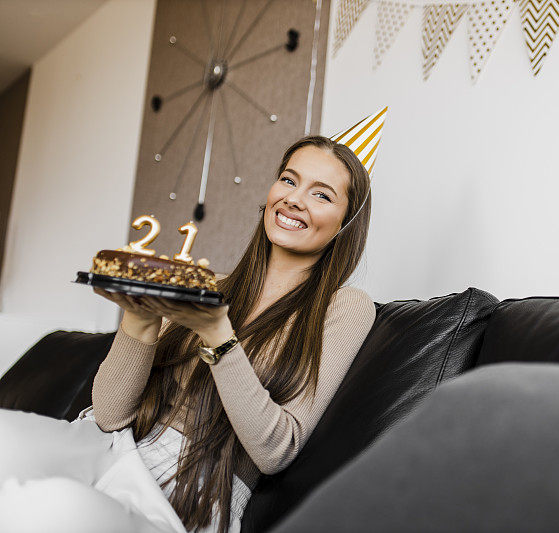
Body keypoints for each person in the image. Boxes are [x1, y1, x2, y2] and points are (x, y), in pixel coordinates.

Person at [0, 107, 387, 533]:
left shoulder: (344, 307)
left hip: (188, 493)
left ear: (346, 224)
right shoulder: (208, 284)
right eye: (290, 180)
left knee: (50, 508)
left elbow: (277, 450)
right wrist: (138, 319)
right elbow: (110, 415)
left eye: (322, 194)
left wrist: (217, 334)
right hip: (108, 446)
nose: (294, 198)